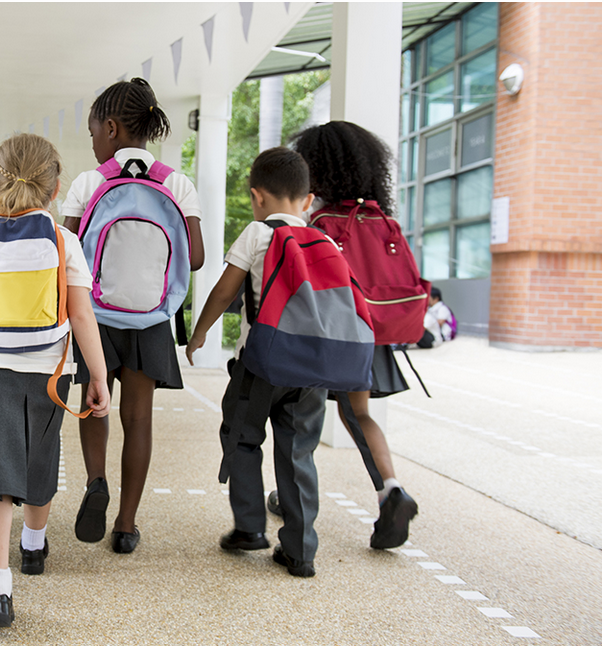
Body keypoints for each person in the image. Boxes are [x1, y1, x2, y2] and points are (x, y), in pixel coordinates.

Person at [0, 134, 111, 627]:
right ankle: (34, 546)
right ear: (55, 188)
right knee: (39, 457)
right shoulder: (64, 239)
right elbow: (83, 317)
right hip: (50, 370)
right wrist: (99, 376)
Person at [60, 78, 205, 554]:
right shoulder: (177, 183)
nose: (94, 143)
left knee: (93, 403)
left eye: (93, 134)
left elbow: (66, 251)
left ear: (112, 127)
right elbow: (197, 257)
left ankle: (96, 479)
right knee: (138, 417)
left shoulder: (90, 182)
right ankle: (125, 523)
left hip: (97, 316)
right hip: (152, 317)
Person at [186, 148, 327, 577]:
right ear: (307, 200)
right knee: (298, 451)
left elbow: (226, 290)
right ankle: (300, 550)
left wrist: (200, 332)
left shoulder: (257, 234)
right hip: (312, 369)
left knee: (242, 438)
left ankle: (249, 528)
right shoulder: (325, 241)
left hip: (260, 364)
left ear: (256, 196)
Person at [291, 121, 419, 549]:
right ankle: (391, 488)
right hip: (375, 335)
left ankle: (290, 498)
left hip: (330, 339)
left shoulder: (321, 222)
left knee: (299, 419)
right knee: (359, 414)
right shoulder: (381, 220)